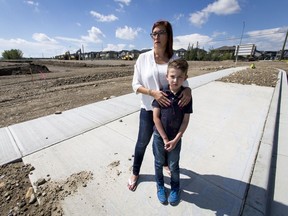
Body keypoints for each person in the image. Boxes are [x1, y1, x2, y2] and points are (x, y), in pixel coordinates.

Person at [128, 20, 192, 191]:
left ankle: (165, 164)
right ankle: (135, 172)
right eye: (154, 33)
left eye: (160, 33)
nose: (156, 36)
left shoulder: (175, 59)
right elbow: (135, 85)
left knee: (166, 141)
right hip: (149, 110)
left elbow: (184, 81)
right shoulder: (143, 58)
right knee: (142, 142)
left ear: (168, 35)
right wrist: (152, 93)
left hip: (168, 113)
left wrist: (188, 90)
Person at [152, 58, 193, 205]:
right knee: (158, 163)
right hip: (159, 137)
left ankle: (175, 187)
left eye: (179, 77)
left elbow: (185, 120)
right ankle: (160, 186)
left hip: (176, 138)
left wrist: (176, 139)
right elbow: (156, 118)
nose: (175, 80)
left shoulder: (186, 97)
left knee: (174, 164)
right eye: (172, 76)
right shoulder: (161, 94)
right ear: (167, 77)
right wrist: (164, 138)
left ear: (185, 78)